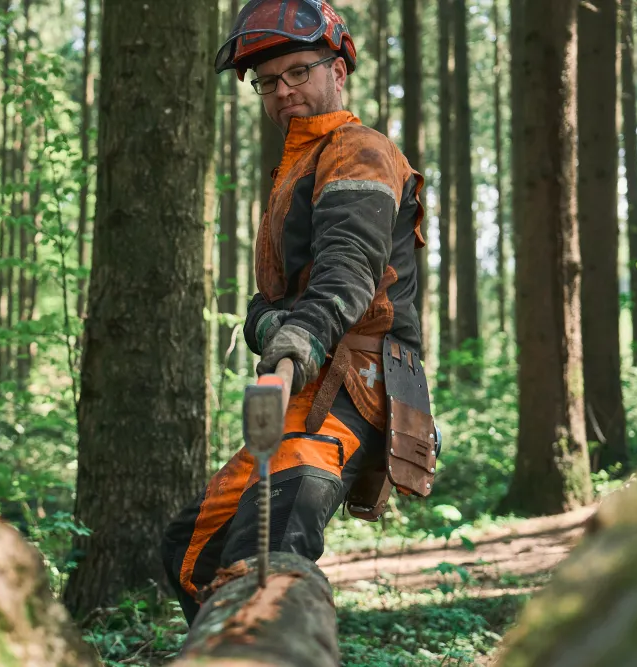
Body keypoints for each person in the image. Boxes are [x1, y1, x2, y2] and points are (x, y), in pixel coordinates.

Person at [160, 0, 431, 623]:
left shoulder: (359, 151)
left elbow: (349, 269)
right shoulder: (299, 167)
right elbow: (267, 304)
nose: (283, 91)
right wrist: (275, 330)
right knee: (190, 553)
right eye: (268, 81)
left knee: (270, 559)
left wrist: (292, 348)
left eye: (298, 72)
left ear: (338, 68)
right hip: (307, 386)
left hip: (353, 390)